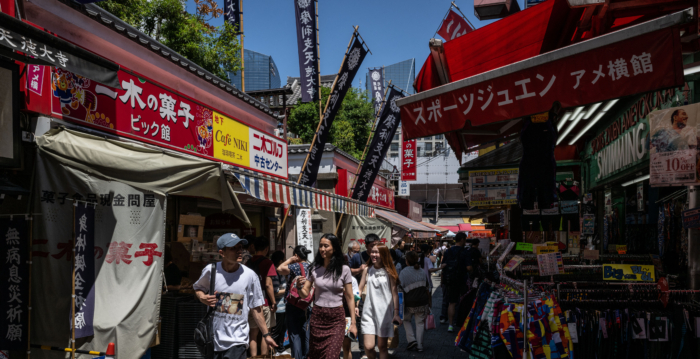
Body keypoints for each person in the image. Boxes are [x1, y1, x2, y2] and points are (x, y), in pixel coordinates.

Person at [194, 233, 277, 359]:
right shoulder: (211, 270)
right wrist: (202, 297)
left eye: (240, 247)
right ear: (222, 253)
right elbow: (198, 288)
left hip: (238, 341)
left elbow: (256, 308)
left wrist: (266, 335)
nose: (239, 251)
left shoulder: (249, 275)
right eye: (233, 248)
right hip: (212, 340)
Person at [296, 234, 357, 359]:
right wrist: (298, 288)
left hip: (336, 318)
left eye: (326, 246)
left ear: (334, 248)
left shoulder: (344, 269)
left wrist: (354, 323)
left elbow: (350, 297)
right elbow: (305, 293)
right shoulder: (313, 268)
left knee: (331, 355)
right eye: (321, 246)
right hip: (318, 316)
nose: (322, 249)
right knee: (315, 355)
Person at [357, 244, 401, 359]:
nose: (373, 255)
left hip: (384, 313)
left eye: (377, 252)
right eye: (372, 252)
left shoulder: (390, 271)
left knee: (382, 347)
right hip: (368, 312)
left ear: (384, 254)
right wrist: (356, 304)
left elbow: (395, 293)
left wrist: (396, 314)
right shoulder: (367, 269)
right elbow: (360, 288)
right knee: (368, 346)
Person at [278, 245, 313, 359]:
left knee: (294, 333)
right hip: (306, 304)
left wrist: (290, 260)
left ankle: (297, 357)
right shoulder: (311, 267)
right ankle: (306, 355)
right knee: (305, 332)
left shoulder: (294, 266)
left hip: (293, 304)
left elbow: (279, 269)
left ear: (296, 255)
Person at [245, 237, 278, 356]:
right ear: (266, 249)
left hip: (251, 302)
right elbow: (268, 285)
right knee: (266, 333)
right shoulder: (268, 262)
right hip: (264, 301)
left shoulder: (248, 262)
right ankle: (264, 357)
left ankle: (253, 357)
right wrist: (273, 302)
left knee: (253, 333)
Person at [399, 251, 431, 352]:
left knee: (406, 320)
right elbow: (427, 288)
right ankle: (420, 346)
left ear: (407, 261)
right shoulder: (421, 271)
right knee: (420, 323)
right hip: (422, 302)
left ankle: (411, 340)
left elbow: (399, 289)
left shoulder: (404, 272)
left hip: (409, 302)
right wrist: (430, 303)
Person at [439, 232, 468, 332]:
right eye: (465, 239)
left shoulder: (448, 251)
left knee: (451, 302)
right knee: (463, 301)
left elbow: (443, 266)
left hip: (450, 279)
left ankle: (450, 325)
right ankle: (460, 322)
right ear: (462, 240)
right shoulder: (465, 252)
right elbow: (469, 267)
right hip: (462, 280)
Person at [269, 250, 288, 354]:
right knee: (276, 331)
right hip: (279, 307)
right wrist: (288, 290)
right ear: (281, 261)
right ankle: (273, 350)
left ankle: (280, 349)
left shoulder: (280, 272)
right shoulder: (275, 273)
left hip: (283, 306)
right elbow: (275, 291)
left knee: (282, 329)